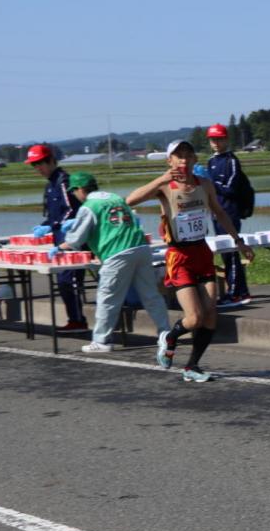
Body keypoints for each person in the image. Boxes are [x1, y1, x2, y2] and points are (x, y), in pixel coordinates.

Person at [126, 140, 254, 382]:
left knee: (210, 314)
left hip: (202, 252)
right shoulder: (165, 186)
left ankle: (192, 367)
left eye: (188, 155)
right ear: (170, 161)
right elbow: (130, 201)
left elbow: (220, 212)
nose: (183, 160)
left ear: (195, 160)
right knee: (194, 317)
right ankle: (170, 337)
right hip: (179, 256)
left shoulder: (204, 184)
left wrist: (239, 241)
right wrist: (161, 179)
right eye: (178, 156)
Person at [52, 172, 172, 356]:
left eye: (74, 191)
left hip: (117, 254)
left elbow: (76, 240)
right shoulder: (115, 198)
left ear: (81, 190)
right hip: (140, 248)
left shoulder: (89, 206)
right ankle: (166, 332)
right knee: (151, 295)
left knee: (108, 298)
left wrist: (59, 246)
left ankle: (101, 341)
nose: (74, 195)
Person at [25, 143, 88, 333]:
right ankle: (75, 319)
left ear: (51, 161)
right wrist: (45, 226)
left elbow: (71, 210)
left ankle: (78, 321)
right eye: (34, 165)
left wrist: (53, 225)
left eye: (40, 164)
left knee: (70, 281)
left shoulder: (63, 181)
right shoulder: (51, 184)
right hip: (59, 241)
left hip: (73, 240)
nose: (38, 168)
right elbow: (53, 215)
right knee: (63, 280)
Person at [205, 123, 252, 307]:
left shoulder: (231, 160)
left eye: (219, 139)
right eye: (213, 139)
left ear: (226, 139)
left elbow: (231, 189)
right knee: (225, 254)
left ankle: (235, 293)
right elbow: (211, 190)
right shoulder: (211, 161)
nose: (216, 143)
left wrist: (211, 182)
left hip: (230, 213)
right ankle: (240, 291)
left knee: (232, 253)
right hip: (216, 213)